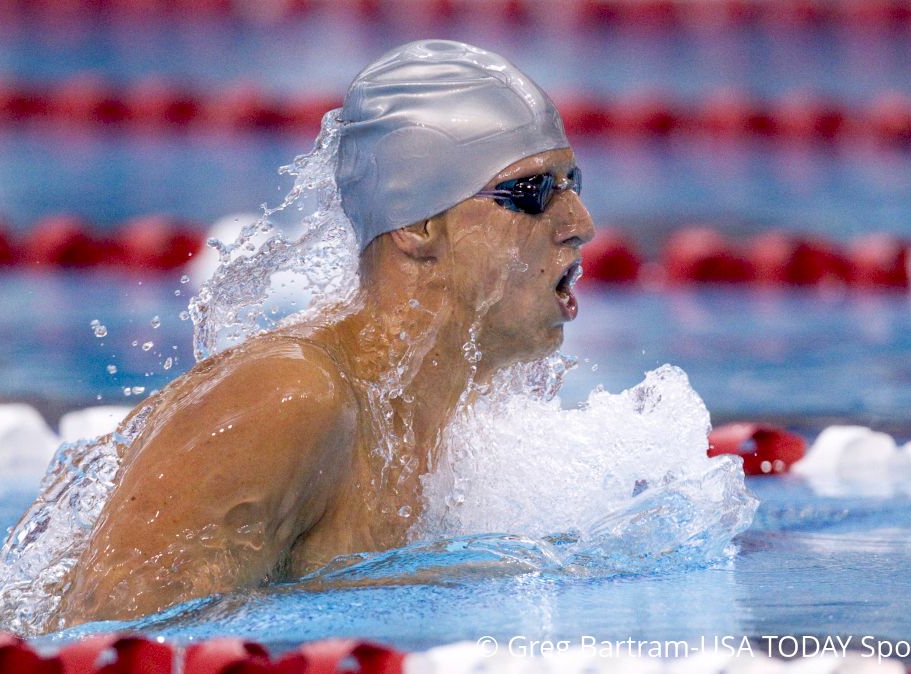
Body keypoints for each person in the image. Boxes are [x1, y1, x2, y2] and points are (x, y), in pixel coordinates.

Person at [52, 39, 595, 628]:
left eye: (574, 184)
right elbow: (103, 648)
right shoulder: (290, 400)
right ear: (417, 225)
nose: (580, 226)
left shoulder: (459, 412)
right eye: (533, 193)